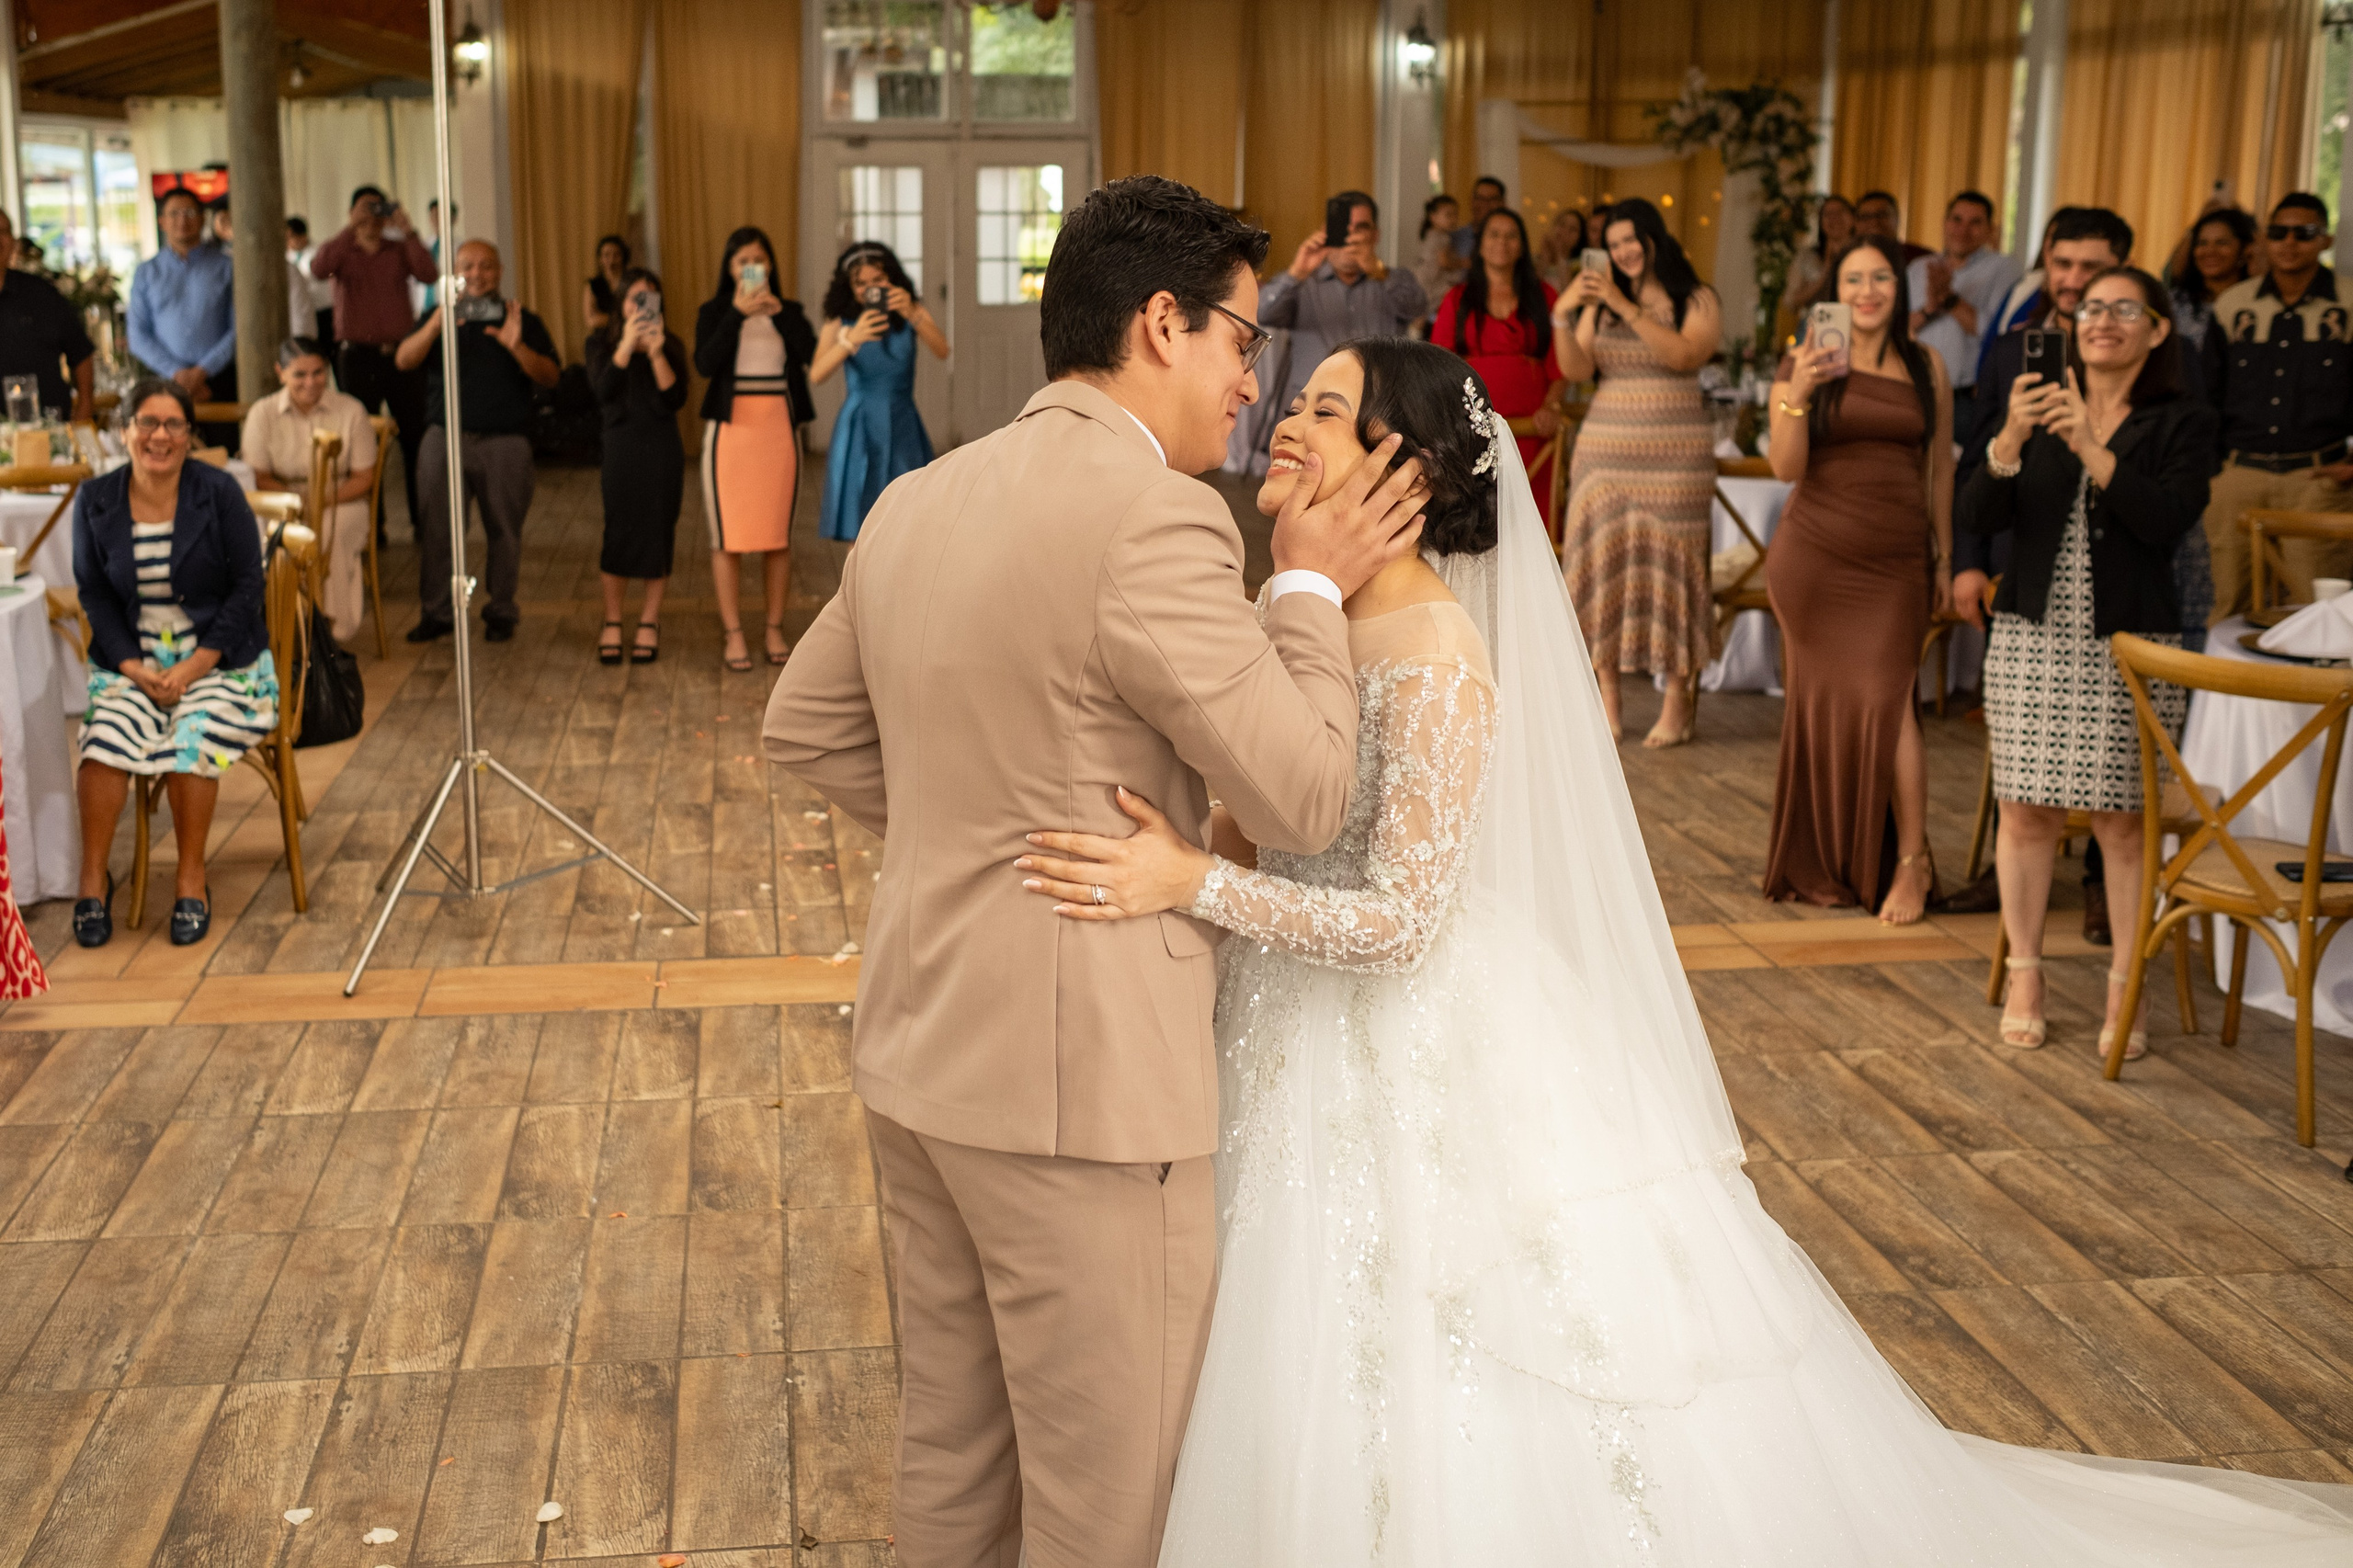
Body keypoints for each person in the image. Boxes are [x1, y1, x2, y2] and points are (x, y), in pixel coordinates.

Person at [1004, 337, 2353, 1565]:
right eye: (1292, 397)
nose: (1286, 420)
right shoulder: (1299, 604)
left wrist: (1195, 883)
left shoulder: (1429, 654)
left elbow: (1401, 920)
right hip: (1285, 1022)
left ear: (1402, 467)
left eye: (1325, 408)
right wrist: (1213, 832)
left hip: (1408, 1029)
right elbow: (1293, 811)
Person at [761, 173, 1431, 1568]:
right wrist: (1302, 581)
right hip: (1084, 1091)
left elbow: (804, 725)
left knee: (953, 1462)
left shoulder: (918, 499)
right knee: (1107, 1504)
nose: (1256, 381)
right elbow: (1305, 795)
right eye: (1246, 341)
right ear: (1163, 323)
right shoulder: (1161, 516)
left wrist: (983, 826)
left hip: (920, 1051)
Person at [1961, 266, 2218, 1057]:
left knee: (2124, 825)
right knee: (2027, 812)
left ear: (2158, 329)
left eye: (2123, 309)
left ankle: (2125, 989)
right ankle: (2029, 975)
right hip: (2032, 637)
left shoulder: (2182, 420)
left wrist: (2088, 443)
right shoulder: (2035, 408)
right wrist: (2010, 436)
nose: (2102, 319)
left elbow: (2166, 517)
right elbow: (1976, 511)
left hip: (2131, 644)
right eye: (2089, 307)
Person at [1763, 235, 1954, 923]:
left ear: (1899, 289)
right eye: (1853, 280)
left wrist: (1946, 555)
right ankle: (1850, 858)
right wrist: (1801, 393)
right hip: (1814, 557)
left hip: (1898, 562)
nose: (1867, 290)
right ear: (1833, 293)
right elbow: (1786, 468)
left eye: (1881, 278)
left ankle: (1912, 861)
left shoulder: (1926, 363)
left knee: (1888, 698)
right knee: (1833, 703)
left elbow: (1939, 468)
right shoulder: (1803, 360)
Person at [71, 380, 276, 950]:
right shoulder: (96, 500)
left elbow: (247, 586)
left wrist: (195, 665)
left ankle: (191, 879)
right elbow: (94, 593)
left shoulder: (219, 492)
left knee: (193, 737)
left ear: (189, 437)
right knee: (104, 736)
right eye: (147, 423)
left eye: (173, 425)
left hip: (222, 661)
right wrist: (133, 667)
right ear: (124, 431)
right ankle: (92, 881)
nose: (159, 436)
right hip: (132, 661)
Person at [1552, 196, 1721, 745]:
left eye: (1630, 240)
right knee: (1600, 567)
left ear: (1653, 239)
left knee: (1675, 571)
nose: (1622, 251)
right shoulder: (1598, 306)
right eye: (1613, 242)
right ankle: (1608, 698)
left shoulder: (1694, 297)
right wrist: (1564, 313)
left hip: (1677, 457)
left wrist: (1627, 309)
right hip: (1604, 452)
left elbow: (1686, 355)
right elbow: (1577, 368)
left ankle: (1678, 701)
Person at [393, 240, 559, 643]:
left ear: (500, 272)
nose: (477, 274)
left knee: (505, 529)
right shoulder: (437, 316)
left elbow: (551, 376)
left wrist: (514, 344)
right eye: (467, 266)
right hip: (443, 437)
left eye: (486, 266)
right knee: (438, 529)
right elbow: (403, 360)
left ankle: (501, 609)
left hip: (505, 441)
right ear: (454, 272)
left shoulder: (521, 319)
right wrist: (437, 323)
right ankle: (437, 612)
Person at [2200, 191, 2353, 619]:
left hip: (2319, 480)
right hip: (2237, 475)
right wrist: (2214, 472)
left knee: (2318, 610)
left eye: (2303, 233)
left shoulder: (2348, 302)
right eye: (2278, 232)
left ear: (2325, 239)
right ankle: (2225, 687)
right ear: (2264, 240)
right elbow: (2205, 393)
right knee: (2229, 604)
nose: (2289, 243)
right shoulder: (2234, 304)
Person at [695, 225, 817, 672]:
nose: (752, 268)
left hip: (777, 430)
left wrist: (778, 311)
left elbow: (810, 352)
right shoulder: (714, 311)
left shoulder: (789, 311)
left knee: (776, 536)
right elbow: (705, 363)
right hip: (731, 432)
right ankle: (732, 633)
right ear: (729, 269)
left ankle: (773, 627)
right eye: (742, 260)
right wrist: (737, 314)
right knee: (726, 537)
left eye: (759, 260)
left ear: (770, 265)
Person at [311, 186, 438, 540]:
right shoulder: (342, 251)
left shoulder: (399, 249)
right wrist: (349, 229)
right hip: (356, 357)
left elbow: (429, 273)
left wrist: (408, 230)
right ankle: (372, 526)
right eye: (364, 210)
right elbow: (318, 269)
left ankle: (422, 523)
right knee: (360, 442)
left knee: (414, 437)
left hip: (401, 356)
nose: (371, 217)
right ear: (352, 213)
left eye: (377, 209)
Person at [240, 337, 377, 645]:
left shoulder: (352, 410)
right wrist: (299, 503)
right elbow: (258, 476)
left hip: (340, 498)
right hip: (283, 499)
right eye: (300, 374)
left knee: (329, 530)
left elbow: (364, 477)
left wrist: (320, 501)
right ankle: (279, 627)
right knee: (264, 531)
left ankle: (331, 632)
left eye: (318, 372)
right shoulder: (262, 413)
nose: (310, 382)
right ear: (281, 372)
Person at [813, 240, 948, 544]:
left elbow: (942, 350)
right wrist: (850, 340)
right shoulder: (840, 320)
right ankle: (859, 590)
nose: (870, 289)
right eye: (860, 283)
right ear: (849, 286)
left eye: (878, 280)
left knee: (908, 518)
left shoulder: (911, 311)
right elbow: (817, 374)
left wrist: (913, 313)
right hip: (859, 423)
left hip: (903, 420)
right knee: (858, 523)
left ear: (892, 278)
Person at [1430, 207, 1562, 513]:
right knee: (1475, 517)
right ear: (1481, 244)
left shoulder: (1545, 296)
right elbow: (1439, 363)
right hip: (1472, 430)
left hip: (1533, 430)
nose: (1502, 242)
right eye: (1494, 234)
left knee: (1531, 515)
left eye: (1511, 235)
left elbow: (1559, 364)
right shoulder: (1458, 298)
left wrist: (1552, 406)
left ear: (1522, 245)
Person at [588, 267, 688, 665]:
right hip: (621, 449)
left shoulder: (671, 344)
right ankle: (612, 619)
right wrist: (627, 347)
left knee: (658, 531)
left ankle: (650, 619)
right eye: (634, 297)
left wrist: (657, 351)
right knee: (618, 529)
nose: (641, 305)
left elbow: (675, 399)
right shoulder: (600, 343)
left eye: (649, 298)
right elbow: (601, 391)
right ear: (621, 303)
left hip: (663, 450)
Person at [1255, 191, 1427, 417]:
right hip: (1312, 411)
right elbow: (1262, 314)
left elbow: (1418, 307)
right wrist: (1297, 273)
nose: (1350, 236)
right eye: (1342, 227)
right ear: (1326, 233)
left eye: (1361, 228)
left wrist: (1380, 272)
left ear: (1375, 235)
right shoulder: (1302, 284)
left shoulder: (1391, 279)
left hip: (1378, 409)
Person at [1908, 191, 2022, 438]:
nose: (1963, 229)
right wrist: (1929, 309)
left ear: (1990, 230)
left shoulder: (2003, 268)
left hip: (1963, 399)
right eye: (1957, 219)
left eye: (1975, 222)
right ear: (1945, 223)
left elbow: (1993, 331)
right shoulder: (1919, 268)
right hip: (1913, 391)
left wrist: (1950, 299)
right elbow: (1898, 328)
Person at [127, 188, 236, 406]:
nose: (182, 220)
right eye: (174, 214)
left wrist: (202, 372)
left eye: (189, 213)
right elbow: (137, 335)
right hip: (163, 382)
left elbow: (239, 328)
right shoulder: (146, 272)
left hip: (219, 382)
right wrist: (176, 373)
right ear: (162, 222)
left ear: (203, 218)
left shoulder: (228, 267)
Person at [0, 209, 96, 421]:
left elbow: (81, 352)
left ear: (14, 242)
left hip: (50, 429)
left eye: (3, 232)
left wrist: (85, 409)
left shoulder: (40, 293)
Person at [2165, 207, 2255, 354]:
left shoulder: (2257, 304)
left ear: (2245, 250)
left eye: (2222, 243)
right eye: (2202, 243)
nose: (2210, 251)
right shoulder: (2173, 303)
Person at [1787, 193, 1856, 304]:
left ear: (1853, 218)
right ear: (1821, 222)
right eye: (1828, 214)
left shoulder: (1865, 253)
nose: (1835, 218)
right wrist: (1825, 272)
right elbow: (1790, 301)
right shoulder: (1807, 256)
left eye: (1841, 212)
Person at [1413, 194, 1467, 312]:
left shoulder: (1431, 234)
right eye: (1448, 215)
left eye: (1455, 215)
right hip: (1432, 280)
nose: (1453, 219)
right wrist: (1463, 263)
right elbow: (1444, 262)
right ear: (1433, 217)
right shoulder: (1441, 237)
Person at [286, 216, 335, 343]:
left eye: (291, 237)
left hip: (323, 308)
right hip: (305, 310)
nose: (288, 242)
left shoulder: (318, 252)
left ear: (303, 236)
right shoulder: (289, 256)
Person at [1852, 189, 1934, 266]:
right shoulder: (1847, 259)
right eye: (1866, 217)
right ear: (1855, 223)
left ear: (1897, 218)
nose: (1874, 222)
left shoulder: (1922, 259)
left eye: (1882, 215)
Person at [583, 233, 630, 341]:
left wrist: (605, 318)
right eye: (607, 255)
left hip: (629, 336)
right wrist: (622, 319)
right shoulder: (593, 285)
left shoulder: (633, 282)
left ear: (623, 257)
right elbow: (591, 320)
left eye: (616, 255)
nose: (611, 260)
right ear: (600, 259)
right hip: (603, 338)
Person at [1449, 175, 1508, 259]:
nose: (1485, 204)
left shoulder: (1509, 240)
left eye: (1492, 199)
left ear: (1502, 203)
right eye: (1479, 198)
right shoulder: (1454, 239)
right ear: (1471, 201)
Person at [1533, 207, 1587, 290]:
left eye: (1573, 229)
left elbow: (1569, 294)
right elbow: (1531, 290)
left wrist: (1560, 255)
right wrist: (1545, 257)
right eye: (1562, 224)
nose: (1565, 231)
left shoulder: (1580, 265)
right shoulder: (1533, 260)